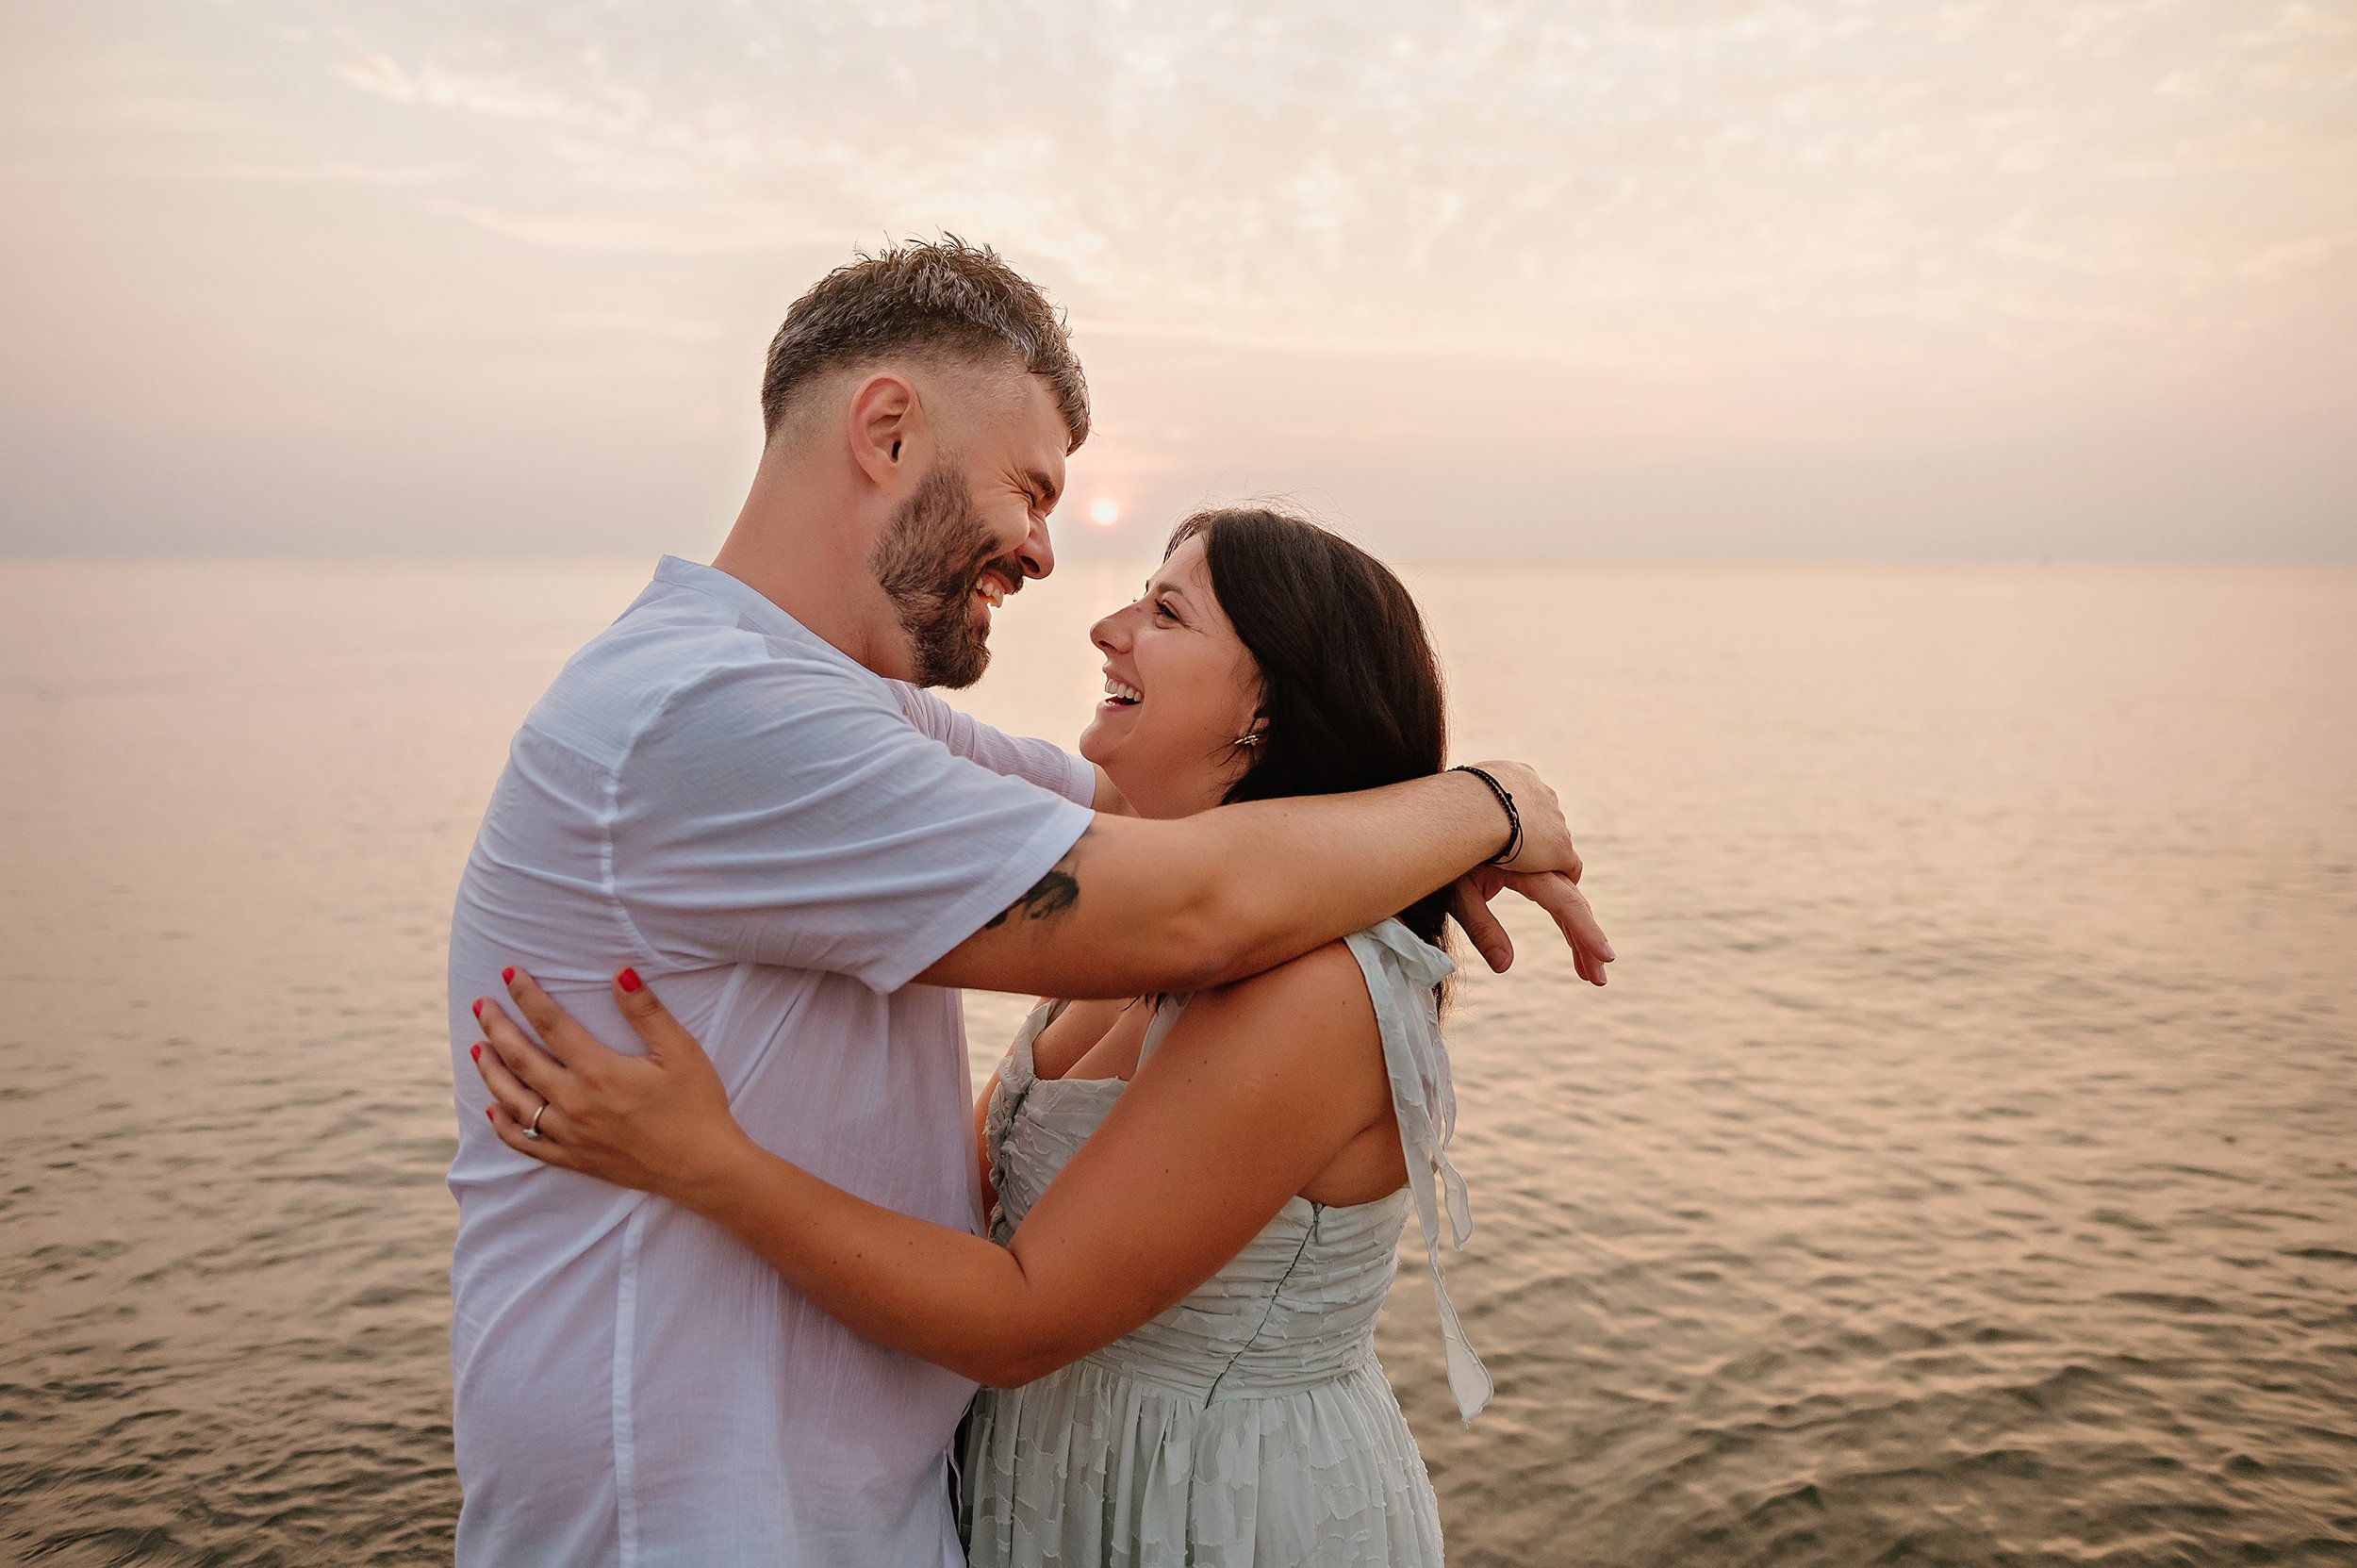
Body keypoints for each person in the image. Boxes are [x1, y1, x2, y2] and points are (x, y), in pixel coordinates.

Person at [444, 239, 1608, 1568]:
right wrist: (1486, 801)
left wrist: (1411, 815)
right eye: (1031, 489)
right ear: (887, 432)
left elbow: (1130, 829)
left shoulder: (848, 721)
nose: (1055, 563)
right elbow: (1174, 906)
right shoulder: (713, 717)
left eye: (1160, 607)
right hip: (693, 1519)